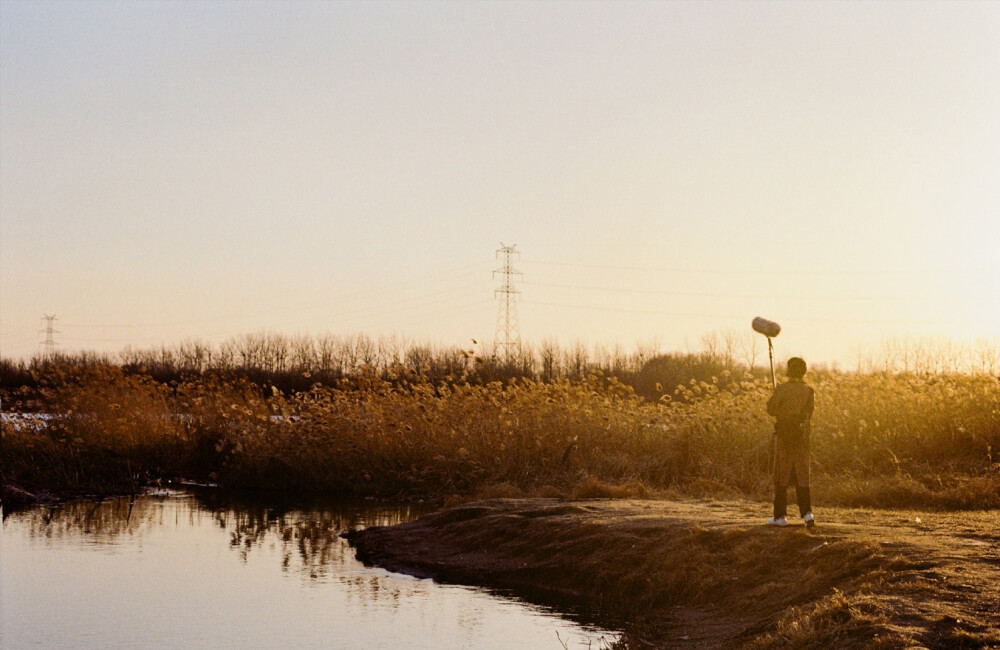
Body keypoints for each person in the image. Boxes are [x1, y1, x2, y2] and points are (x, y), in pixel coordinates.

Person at [766, 357, 815, 528]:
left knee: (781, 474)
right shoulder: (809, 391)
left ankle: (780, 516)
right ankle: (807, 514)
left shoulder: (782, 389)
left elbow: (771, 410)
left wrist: (777, 397)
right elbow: (810, 414)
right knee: (803, 474)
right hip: (802, 437)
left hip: (784, 436)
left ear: (789, 370)